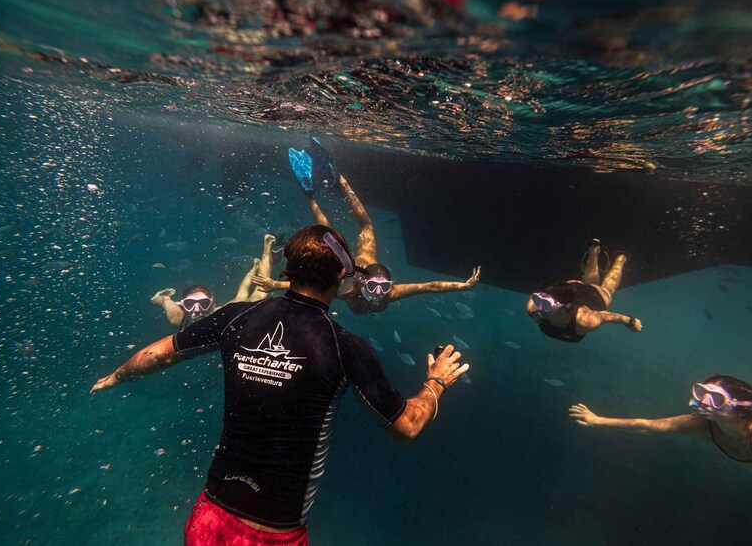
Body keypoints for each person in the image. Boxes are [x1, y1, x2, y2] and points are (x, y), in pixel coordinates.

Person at [91, 224, 470, 544]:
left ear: (287, 271)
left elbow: (156, 355)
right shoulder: (347, 348)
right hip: (272, 535)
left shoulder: (236, 317)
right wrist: (436, 382)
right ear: (341, 276)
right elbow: (406, 426)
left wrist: (115, 377)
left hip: (208, 520)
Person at [252, 138, 481, 315]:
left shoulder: (385, 293)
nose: (379, 294)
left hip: (357, 267)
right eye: (374, 287)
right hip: (351, 267)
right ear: (364, 283)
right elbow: (312, 286)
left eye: (383, 288)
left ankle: (324, 185)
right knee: (340, 231)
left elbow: (430, 286)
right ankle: (328, 183)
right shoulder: (348, 289)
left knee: (344, 231)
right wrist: (275, 284)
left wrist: (464, 286)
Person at [568, 375, 752, 481]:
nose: (703, 403)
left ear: (738, 407)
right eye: (701, 393)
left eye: (715, 399)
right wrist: (597, 420)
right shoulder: (703, 425)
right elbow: (649, 427)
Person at [150, 234, 279, 329]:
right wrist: (159, 298)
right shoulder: (177, 318)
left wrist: (267, 251)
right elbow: (163, 299)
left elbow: (261, 290)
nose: (197, 311)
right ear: (182, 306)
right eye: (189, 304)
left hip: (229, 312)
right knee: (241, 295)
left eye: (204, 303)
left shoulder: (232, 316)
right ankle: (254, 267)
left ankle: (266, 250)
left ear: (213, 303)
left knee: (257, 292)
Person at [526, 238, 641, 342]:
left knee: (606, 290)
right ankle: (594, 250)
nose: (539, 307)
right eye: (539, 300)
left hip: (591, 299)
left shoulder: (585, 321)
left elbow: (609, 316)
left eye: (545, 305)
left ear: (565, 309)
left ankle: (620, 259)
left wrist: (631, 322)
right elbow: (533, 298)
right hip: (572, 289)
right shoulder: (536, 309)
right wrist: (630, 322)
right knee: (591, 285)